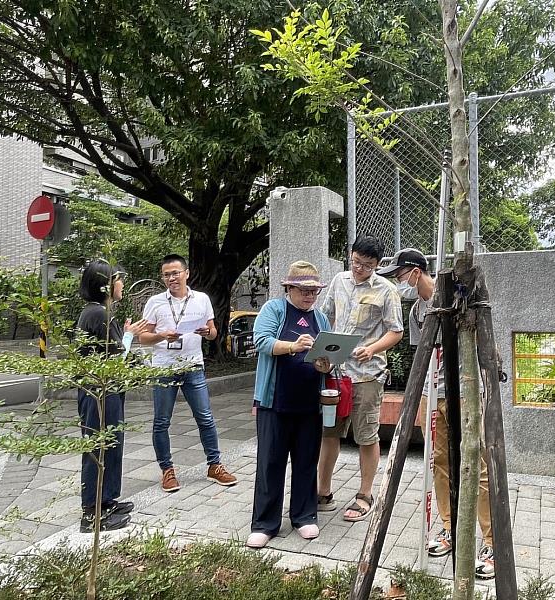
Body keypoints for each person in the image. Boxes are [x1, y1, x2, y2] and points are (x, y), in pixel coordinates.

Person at [377, 248, 494, 579]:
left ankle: (491, 542)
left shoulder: (455, 295)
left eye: (400, 275)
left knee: (476, 464)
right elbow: (424, 355)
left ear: (415, 271)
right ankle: (448, 528)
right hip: (434, 394)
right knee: (438, 463)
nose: (399, 282)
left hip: (466, 391)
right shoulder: (417, 311)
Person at [246, 262, 333, 549]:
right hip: (274, 401)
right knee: (270, 461)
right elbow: (261, 341)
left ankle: (304, 515)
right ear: (289, 289)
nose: (310, 296)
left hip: (310, 402)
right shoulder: (274, 310)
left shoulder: (321, 318)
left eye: (314, 291)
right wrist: (293, 346)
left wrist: (325, 363)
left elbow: (327, 358)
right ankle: (264, 523)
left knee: (307, 460)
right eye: (304, 290)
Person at [318, 235, 404, 522]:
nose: (359, 269)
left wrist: (372, 348)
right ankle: (323, 491)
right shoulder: (339, 280)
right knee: (328, 432)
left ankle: (365, 494)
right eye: (355, 262)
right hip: (335, 372)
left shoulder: (387, 290)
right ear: (350, 256)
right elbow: (325, 316)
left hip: (367, 375)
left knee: (366, 435)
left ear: (377, 265)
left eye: (366, 266)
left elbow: (396, 331)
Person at [139, 254, 237, 492]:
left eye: (175, 273)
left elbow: (214, 332)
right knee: (162, 421)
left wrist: (207, 333)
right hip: (164, 367)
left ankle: (215, 465)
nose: (171, 278)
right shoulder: (155, 302)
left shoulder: (202, 299)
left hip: (193, 366)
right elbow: (143, 337)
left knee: (205, 417)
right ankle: (167, 470)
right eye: (166, 275)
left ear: (187, 273)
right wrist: (162, 335)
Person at [76, 259, 148, 533]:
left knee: (111, 444)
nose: (122, 285)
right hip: (98, 394)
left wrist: (126, 334)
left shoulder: (99, 313)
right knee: (99, 448)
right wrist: (129, 335)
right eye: (119, 280)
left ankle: (106, 502)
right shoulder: (98, 314)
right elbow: (118, 359)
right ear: (105, 285)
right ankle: (92, 514)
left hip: (106, 392)